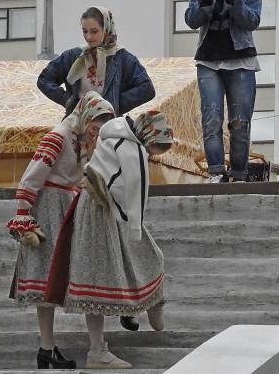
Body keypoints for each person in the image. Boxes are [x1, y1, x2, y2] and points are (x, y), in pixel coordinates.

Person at [45, 110, 175, 369]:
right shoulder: (133, 152)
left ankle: (100, 345)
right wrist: (135, 229)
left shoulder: (111, 135)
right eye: (154, 149)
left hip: (89, 205)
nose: (152, 155)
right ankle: (101, 347)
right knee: (143, 256)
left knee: (96, 275)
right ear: (148, 138)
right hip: (107, 210)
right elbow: (135, 194)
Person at [6, 91, 115, 369]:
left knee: (82, 272)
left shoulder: (81, 137)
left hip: (70, 202)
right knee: (46, 275)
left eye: (103, 123)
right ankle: (46, 347)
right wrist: (23, 216)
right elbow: (32, 176)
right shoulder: (58, 136)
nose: (98, 128)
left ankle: (91, 348)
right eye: (97, 121)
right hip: (50, 205)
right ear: (86, 114)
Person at [185, 0, 262, 183]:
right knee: (212, 119)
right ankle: (216, 172)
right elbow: (191, 20)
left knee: (239, 124)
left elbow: (252, 21)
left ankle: (239, 174)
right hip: (209, 62)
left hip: (240, 61)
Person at [37, 6, 155, 117]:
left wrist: (114, 104)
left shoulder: (122, 58)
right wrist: (67, 100)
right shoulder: (74, 56)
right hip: (77, 123)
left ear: (106, 29)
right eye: (84, 31)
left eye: (94, 31)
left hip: (109, 126)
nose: (88, 37)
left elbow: (147, 89)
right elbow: (44, 79)